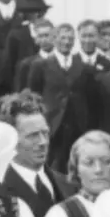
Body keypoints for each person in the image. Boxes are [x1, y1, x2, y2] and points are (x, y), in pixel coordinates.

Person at [28, 24, 99, 176]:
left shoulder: (84, 67)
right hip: (52, 125)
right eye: (63, 38)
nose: (66, 42)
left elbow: (93, 100)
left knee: (76, 165)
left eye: (70, 39)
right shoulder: (41, 65)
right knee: (52, 166)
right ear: (54, 39)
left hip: (78, 125)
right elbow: (34, 96)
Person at [0, 90, 75, 217]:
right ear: (10, 140)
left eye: (45, 133)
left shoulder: (68, 184)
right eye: (33, 136)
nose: (43, 142)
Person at [13, 18, 54, 93]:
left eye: (47, 35)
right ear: (36, 39)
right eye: (40, 36)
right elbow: (21, 92)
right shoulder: (27, 64)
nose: (44, 40)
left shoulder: (62, 61)